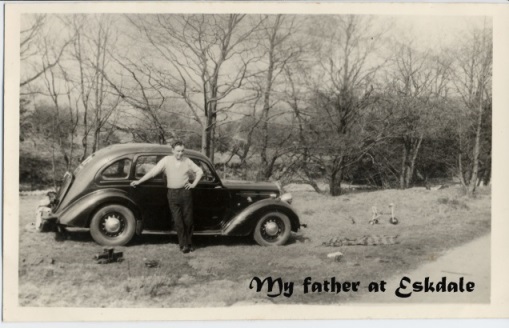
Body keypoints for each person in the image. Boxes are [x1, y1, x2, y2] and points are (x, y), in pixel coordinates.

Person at [130, 141, 203, 253]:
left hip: (185, 193)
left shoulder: (187, 161)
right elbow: (153, 172)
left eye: (182, 151)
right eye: (178, 151)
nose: (180, 153)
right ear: (172, 150)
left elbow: (200, 172)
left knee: (188, 220)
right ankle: (183, 245)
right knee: (178, 221)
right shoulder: (166, 160)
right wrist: (139, 181)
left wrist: (193, 184)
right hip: (172, 194)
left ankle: (189, 242)